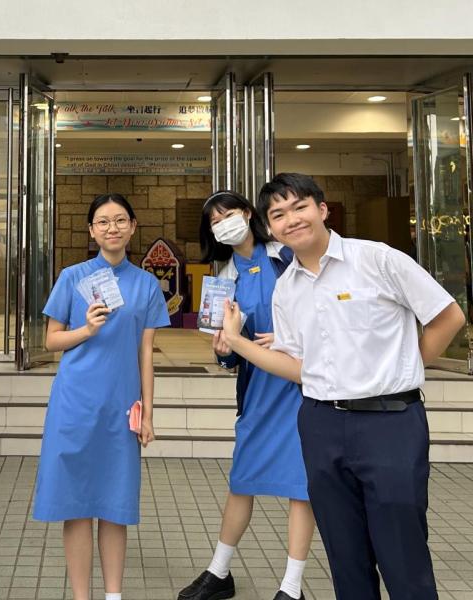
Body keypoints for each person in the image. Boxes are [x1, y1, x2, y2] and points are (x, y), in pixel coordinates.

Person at [220, 173, 466, 600]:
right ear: (270, 227)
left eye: (299, 207)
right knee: (344, 555)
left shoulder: (377, 259)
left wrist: (407, 365)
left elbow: (449, 317)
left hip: (390, 422)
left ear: (322, 209)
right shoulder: (286, 289)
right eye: (278, 214)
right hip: (321, 423)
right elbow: (298, 366)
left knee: (402, 552)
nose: (291, 219)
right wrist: (237, 342)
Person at [32, 193, 170, 600]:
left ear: (133, 226)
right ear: (91, 230)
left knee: (115, 504)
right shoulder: (72, 277)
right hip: (74, 403)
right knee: (75, 505)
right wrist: (87, 330)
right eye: (104, 221)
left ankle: (113, 595)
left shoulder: (147, 284)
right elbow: (51, 340)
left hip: (121, 407)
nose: (113, 228)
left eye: (121, 220)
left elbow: (146, 353)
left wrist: (148, 413)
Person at [178, 191, 313, 600]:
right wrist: (223, 351)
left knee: (300, 486)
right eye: (215, 222)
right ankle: (219, 572)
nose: (224, 225)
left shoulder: (286, 254)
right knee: (242, 479)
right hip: (258, 390)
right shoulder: (223, 279)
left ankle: (291, 586)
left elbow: (321, 309)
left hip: (302, 387)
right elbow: (229, 354)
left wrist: (292, 338)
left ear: (248, 213)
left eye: (229, 215)